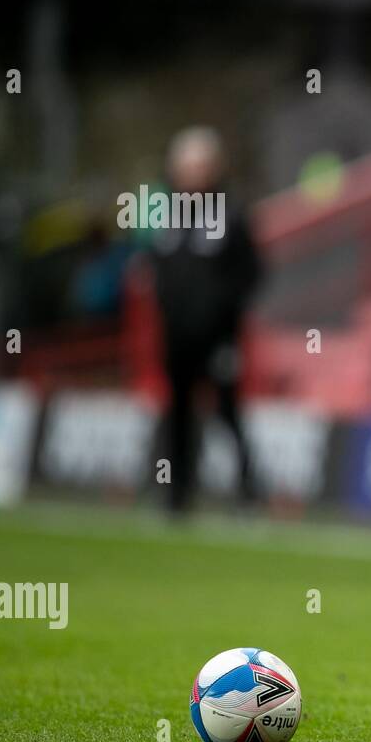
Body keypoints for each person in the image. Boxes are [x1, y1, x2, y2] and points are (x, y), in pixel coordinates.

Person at [152, 126, 262, 515]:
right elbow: (158, 269)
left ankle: (249, 487)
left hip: (218, 337)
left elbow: (251, 272)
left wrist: (222, 313)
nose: (191, 175)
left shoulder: (230, 213)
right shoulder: (167, 214)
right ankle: (177, 492)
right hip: (176, 336)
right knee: (178, 411)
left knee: (227, 410)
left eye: (198, 167)